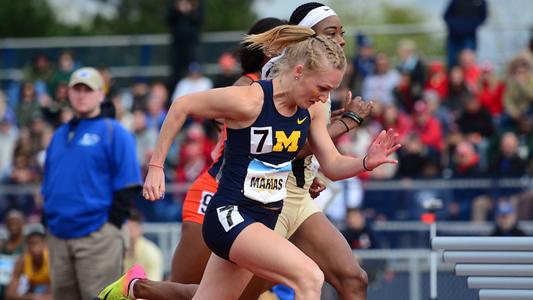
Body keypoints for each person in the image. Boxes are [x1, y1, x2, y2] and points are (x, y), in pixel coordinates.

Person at [142, 24, 397, 300]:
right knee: (310, 276)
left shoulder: (309, 111)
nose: (324, 98)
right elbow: (182, 105)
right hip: (231, 215)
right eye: (322, 88)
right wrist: (157, 166)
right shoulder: (251, 100)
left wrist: (366, 162)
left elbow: (332, 165)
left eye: (330, 90)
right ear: (298, 71)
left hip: (262, 221)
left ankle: (131, 290)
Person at [41, 67, 142, 300]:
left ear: (100, 94)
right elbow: (48, 181)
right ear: (68, 94)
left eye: (88, 89)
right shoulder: (59, 134)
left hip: (97, 235)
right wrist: (47, 221)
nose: (82, 95)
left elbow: (127, 184)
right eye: (77, 89)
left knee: (99, 297)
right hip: (58, 235)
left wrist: (110, 225)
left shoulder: (114, 132)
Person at [5, 228, 51, 300]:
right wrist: (33, 297)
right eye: (31, 243)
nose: (35, 247)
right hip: (32, 293)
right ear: (27, 246)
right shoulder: (22, 261)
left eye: (38, 242)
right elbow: (10, 294)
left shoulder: (51, 259)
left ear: (44, 244)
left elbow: (57, 294)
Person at [443, 0, 488, 67]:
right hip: (454, 36)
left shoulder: (481, 2)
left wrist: (470, 26)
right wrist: (456, 26)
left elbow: (483, 17)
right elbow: (446, 16)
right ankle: (453, 76)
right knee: (452, 61)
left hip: (470, 36)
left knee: (468, 61)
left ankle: (470, 77)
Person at [124, 210, 164, 281]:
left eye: (132, 229)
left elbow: (153, 286)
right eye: (126, 228)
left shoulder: (151, 253)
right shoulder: (114, 251)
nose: (128, 232)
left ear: (140, 229)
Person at [0, 210, 26, 299]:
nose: (13, 226)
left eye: (16, 222)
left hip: (19, 281)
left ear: (22, 224)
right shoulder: (2, 245)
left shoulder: (26, 245)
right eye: (10, 223)